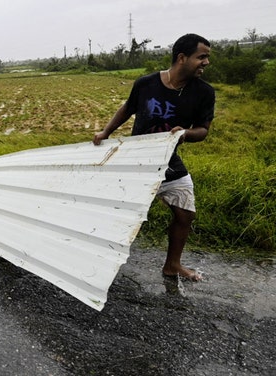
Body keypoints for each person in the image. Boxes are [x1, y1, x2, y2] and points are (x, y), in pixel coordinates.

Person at [93, 33, 215, 281]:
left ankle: (172, 265)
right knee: (116, 213)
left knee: (185, 213)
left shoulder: (204, 93)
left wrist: (185, 134)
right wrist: (106, 131)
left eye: (207, 58)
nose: (206, 62)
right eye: (201, 57)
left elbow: (203, 130)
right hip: (134, 163)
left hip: (168, 162)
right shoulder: (146, 83)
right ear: (182, 58)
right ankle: (97, 260)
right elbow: (128, 108)